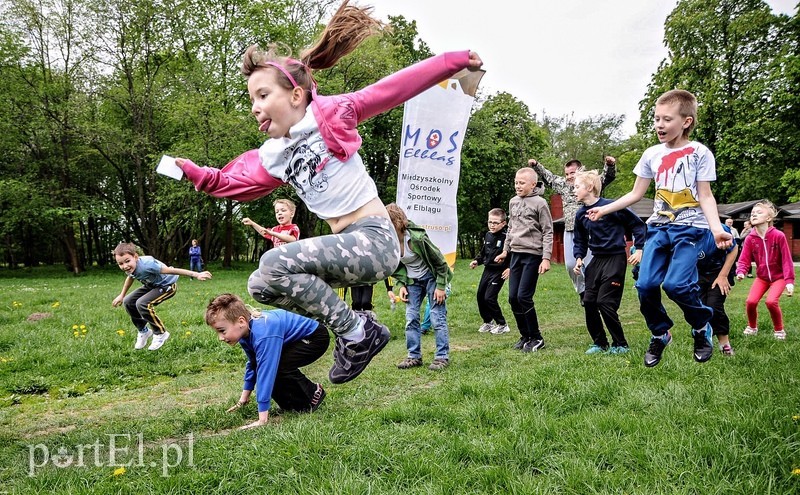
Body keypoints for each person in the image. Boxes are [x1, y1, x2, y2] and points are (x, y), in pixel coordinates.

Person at [173, 1, 483, 384]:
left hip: (375, 240)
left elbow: (393, 89)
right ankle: (357, 325)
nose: (255, 107)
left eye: (263, 95)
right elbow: (228, 183)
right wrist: (194, 173)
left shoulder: (332, 114)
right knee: (260, 284)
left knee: (273, 264)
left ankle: (356, 334)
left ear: (296, 96)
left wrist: (453, 61)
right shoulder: (272, 156)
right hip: (346, 251)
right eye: (251, 99)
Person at [586, 89, 732, 367]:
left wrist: (716, 229)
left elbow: (705, 195)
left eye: (667, 119)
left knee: (677, 285)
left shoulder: (700, 152)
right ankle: (660, 332)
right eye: (656, 119)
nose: (659, 125)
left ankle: (702, 327)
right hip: (659, 228)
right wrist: (604, 208)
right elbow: (635, 194)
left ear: (686, 121)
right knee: (645, 284)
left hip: (691, 229)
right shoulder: (651, 154)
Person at [205, 293, 328, 429]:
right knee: (271, 366)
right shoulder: (245, 334)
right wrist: (243, 399)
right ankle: (294, 406)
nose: (220, 338)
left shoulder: (263, 334)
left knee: (277, 366)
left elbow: (265, 372)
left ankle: (313, 392)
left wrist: (262, 420)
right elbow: (253, 364)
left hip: (314, 337)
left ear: (241, 322)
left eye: (222, 331)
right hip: (293, 340)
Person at [573, 170, 646, 355]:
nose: (573, 191)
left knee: (605, 302)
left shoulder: (612, 207)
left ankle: (620, 344)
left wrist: (639, 248)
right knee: (589, 301)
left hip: (615, 258)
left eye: (576, 187)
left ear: (589, 188)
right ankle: (600, 343)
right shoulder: (581, 214)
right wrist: (579, 258)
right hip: (596, 260)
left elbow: (638, 225)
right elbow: (580, 240)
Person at [530, 156, 616, 302]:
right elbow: (549, 177)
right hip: (570, 230)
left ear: (580, 172)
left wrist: (610, 165)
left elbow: (607, 177)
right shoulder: (563, 185)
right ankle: (582, 291)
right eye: (567, 174)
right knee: (571, 265)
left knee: (589, 264)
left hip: (590, 230)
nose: (569, 177)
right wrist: (536, 165)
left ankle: (592, 291)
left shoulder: (589, 183)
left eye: (572, 173)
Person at [387, 204, 453, 371]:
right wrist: (401, 284)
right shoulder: (390, 242)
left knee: (437, 316)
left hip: (432, 277)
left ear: (398, 222)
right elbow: (393, 266)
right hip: (412, 281)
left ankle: (442, 357)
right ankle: (414, 356)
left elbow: (440, 262)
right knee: (411, 318)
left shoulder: (417, 238)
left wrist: (440, 286)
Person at [112, 242, 212, 351]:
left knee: (142, 303)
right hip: (151, 285)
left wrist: (196, 274)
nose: (125, 266)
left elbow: (172, 270)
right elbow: (130, 278)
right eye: (120, 264)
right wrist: (122, 295)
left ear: (135, 257)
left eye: (127, 261)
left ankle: (160, 333)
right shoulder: (130, 268)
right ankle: (143, 331)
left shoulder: (148, 265)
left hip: (167, 286)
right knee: (128, 302)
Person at [495, 167, 553, 352]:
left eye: (521, 183)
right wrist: (505, 251)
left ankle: (537, 338)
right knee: (513, 298)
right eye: (516, 182)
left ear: (533, 184)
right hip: (516, 254)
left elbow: (548, 231)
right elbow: (511, 228)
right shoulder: (513, 202)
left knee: (524, 297)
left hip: (533, 255)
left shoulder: (540, 203)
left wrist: (546, 258)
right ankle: (525, 335)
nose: (517, 186)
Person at [736, 200, 795, 340]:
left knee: (771, 301)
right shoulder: (750, 238)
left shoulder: (778, 236)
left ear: (769, 218)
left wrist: (789, 281)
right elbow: (744, 259)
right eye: (752, 213)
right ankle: (752, 326)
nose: (754, 215)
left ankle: (779, 330)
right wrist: (741, 271)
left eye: (759, 212)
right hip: (762, 277)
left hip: (778, 277)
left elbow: (787, 260)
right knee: (750, 301)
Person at [697, 224, 739, 355]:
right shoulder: (685, 228)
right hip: (697, 274)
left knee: (714, 306)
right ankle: (703, 343)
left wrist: (723, 275)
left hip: (718, 272)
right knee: (700, 309)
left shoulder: (719, 228)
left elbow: (733, 249)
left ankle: (724, 343)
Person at [470, 208, 510, 334]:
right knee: (480, 296)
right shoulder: (488, 235)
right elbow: (484, 252)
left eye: (495, 223)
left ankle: (502, 324)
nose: (492, 225)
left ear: (503, 223)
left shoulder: (507, 238)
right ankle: (488, 321)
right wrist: (477, 261)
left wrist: (510, 269)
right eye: (490, 222)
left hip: (500, 271)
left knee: (489, 298)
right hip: (488, 270)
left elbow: (513, 254)